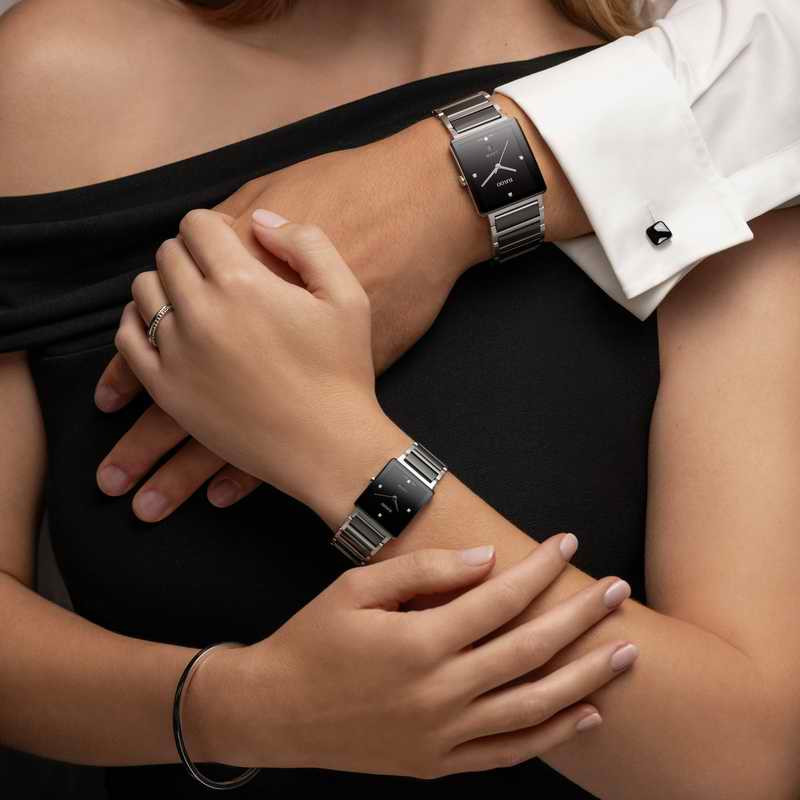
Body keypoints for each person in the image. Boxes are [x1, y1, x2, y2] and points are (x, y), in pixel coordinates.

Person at [0, 0, 798, 797]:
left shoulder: (709, 122)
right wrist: (236, 708)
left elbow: (734, 762)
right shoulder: (51, 84)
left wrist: (329, 445)